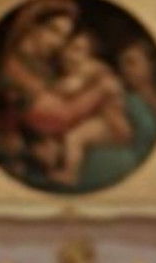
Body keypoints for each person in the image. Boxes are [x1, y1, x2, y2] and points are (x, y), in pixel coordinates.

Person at [49, 30, 133, 186]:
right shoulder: (75, 71)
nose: (68, 54)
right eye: (66, 48)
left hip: (111, 125)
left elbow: (71, 87)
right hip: (98, 121)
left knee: (74, 137)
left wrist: (56, 88)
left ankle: (70, 174)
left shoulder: (91, 68)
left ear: (90, 55)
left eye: (77, 49)